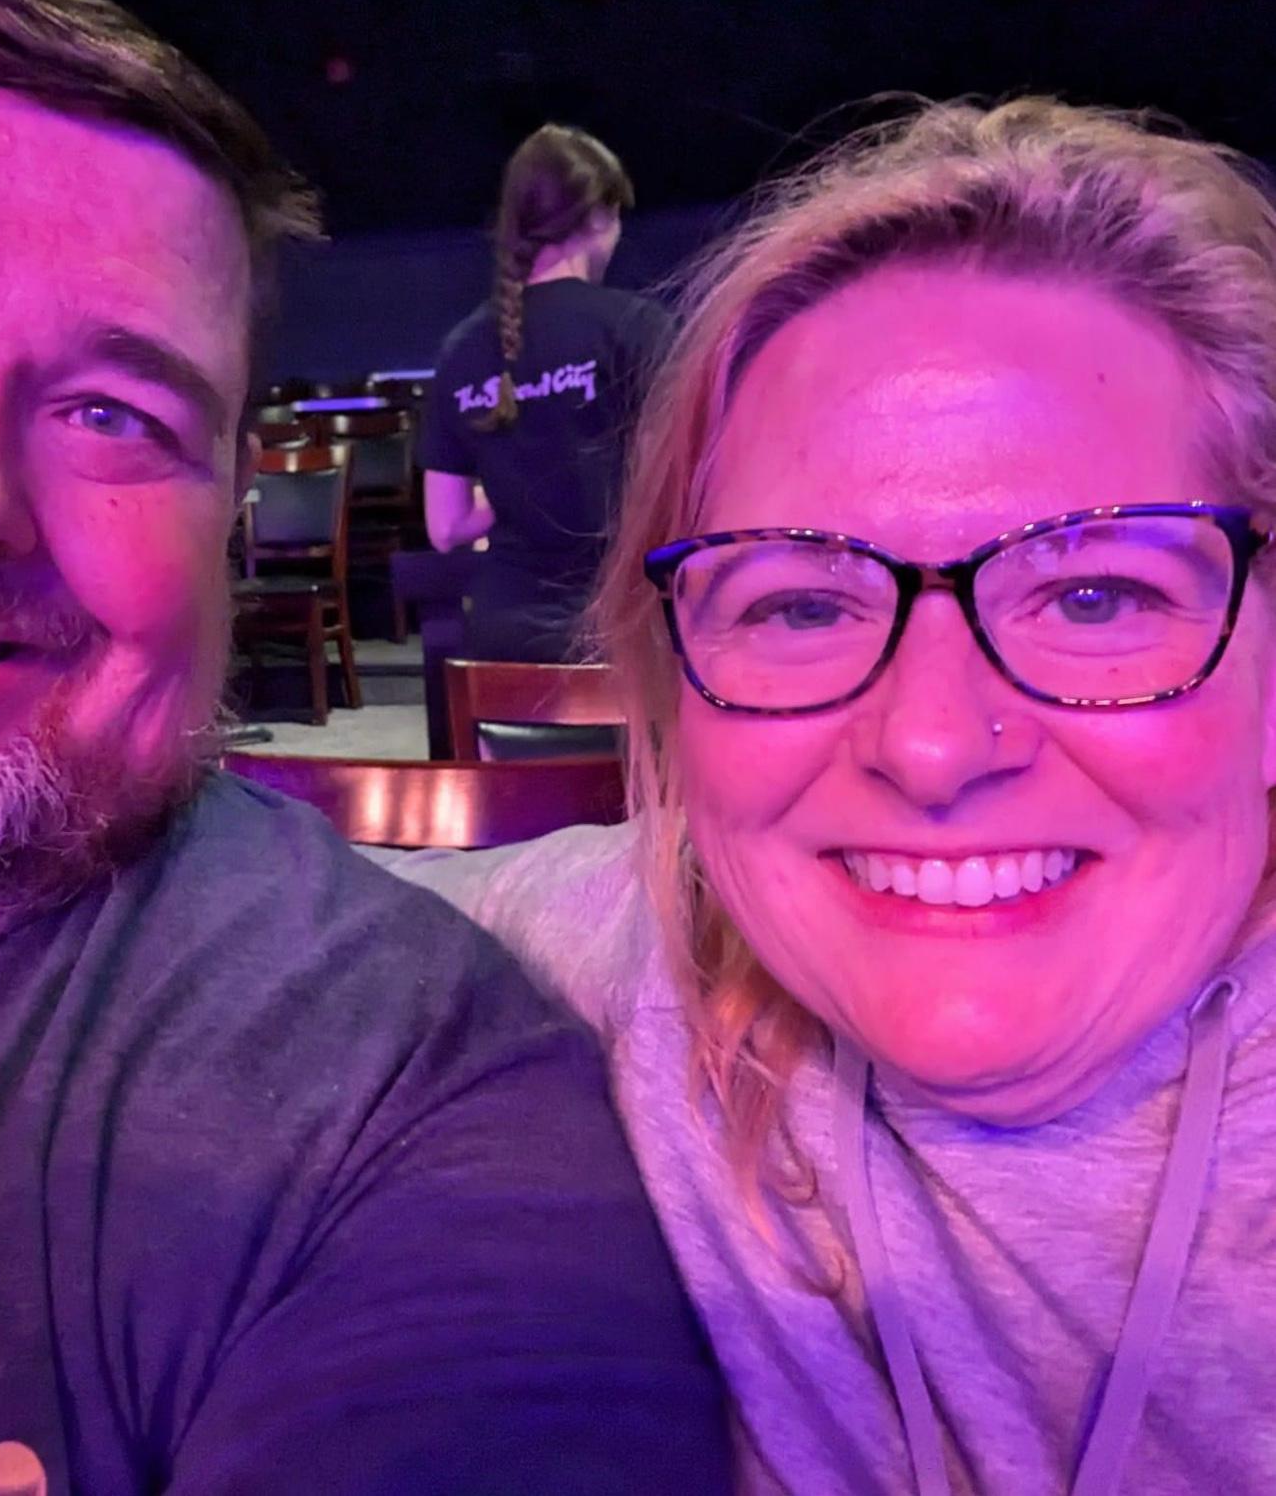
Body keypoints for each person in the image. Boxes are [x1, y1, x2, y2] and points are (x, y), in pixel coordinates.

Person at [0, 0, 738, 1493]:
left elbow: (444, 530)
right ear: (603, 226)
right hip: (615, 665)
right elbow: (700, 544)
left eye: (114, 413)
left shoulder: (378, 1108)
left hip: (488, 651)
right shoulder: (637, 340)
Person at [381, 97, 1276, 1495]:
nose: (931, 745)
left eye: (1096, 596)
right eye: (800, 604)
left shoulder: (464, 357)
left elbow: (446, 527)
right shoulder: (648, 954)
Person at [419, 124, 671, 661]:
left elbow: (445, 527)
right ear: (598, 215)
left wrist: (513, 490)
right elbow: (667, 489)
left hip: (501, 638)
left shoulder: (460, 350)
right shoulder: (636, 327)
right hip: (617, 631)